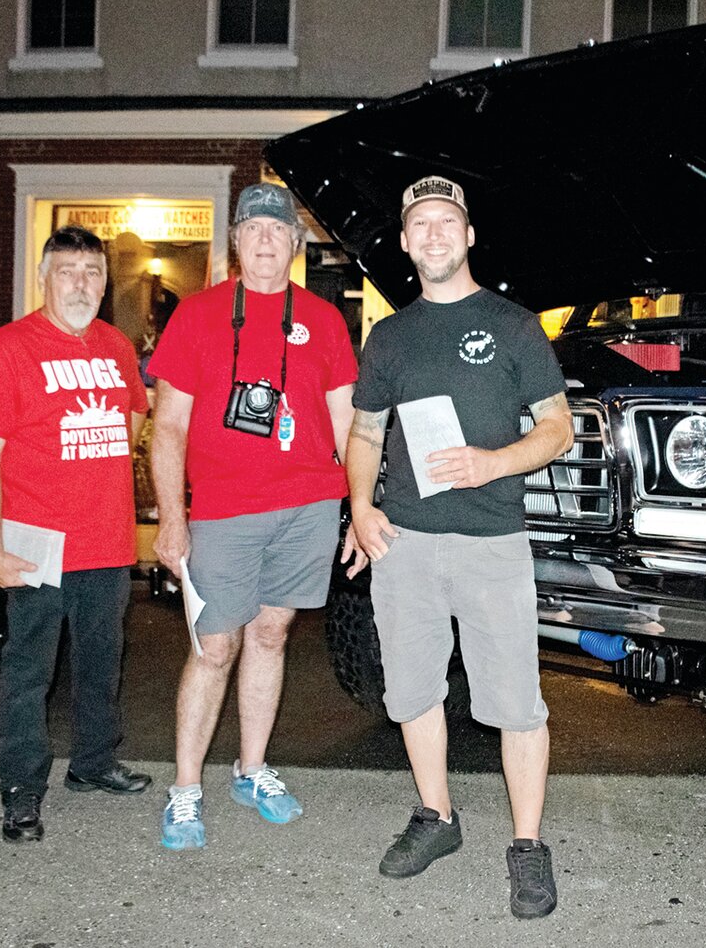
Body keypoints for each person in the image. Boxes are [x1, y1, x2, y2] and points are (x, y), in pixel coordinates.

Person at [342, 176, 574, 919]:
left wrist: (490, 461)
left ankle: (529, 844)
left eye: (448, 221)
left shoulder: (512, 325)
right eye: (421, 225)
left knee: (515, 704)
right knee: (413, 690)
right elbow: (366, 432)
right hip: (404, 542)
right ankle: (437, 816)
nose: (435, 234)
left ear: (469, 235)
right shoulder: (390, 336)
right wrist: (358, 506)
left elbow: (557, 428)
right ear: (405, 243)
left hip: (491, 541)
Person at [150, 182, 357, 848]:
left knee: (271, 635)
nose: (266, 239)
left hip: (308, 506)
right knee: (214, 646)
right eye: (254, 229)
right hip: (223, 510)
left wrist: (357, 506)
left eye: (279, 230)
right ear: (235, 243)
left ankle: (251, 767)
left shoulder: (324, 320)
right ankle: (185, 789)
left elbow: (348, 419)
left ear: (296, 245)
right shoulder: (198, 315)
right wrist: (171, 519)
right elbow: (169, 427)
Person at [0, 226, 153, 844]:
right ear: (43, 276)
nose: (81, 283)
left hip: (105, 540)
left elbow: (127, 430)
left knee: (102, 662)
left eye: (93, 272)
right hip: (34, 541)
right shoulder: (7, 349)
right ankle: (21, 790)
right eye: (67, 270)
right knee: (29, 672)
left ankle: (94, 764)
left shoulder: (118, 348)